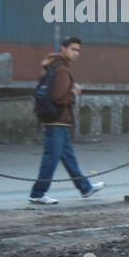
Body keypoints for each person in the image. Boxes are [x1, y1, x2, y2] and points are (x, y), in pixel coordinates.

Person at [29, 37, 105, 204]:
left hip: (57, 120)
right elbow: (58, 97)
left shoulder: (54, 66)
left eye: (78, 50)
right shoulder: (62, 69)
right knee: (51, 158)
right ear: (63, 49)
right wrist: (74, 93)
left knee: (68, 158)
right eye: (73, 49)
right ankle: (37, 193)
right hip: (57, 119)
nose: (76, 53)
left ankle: (85, 188)